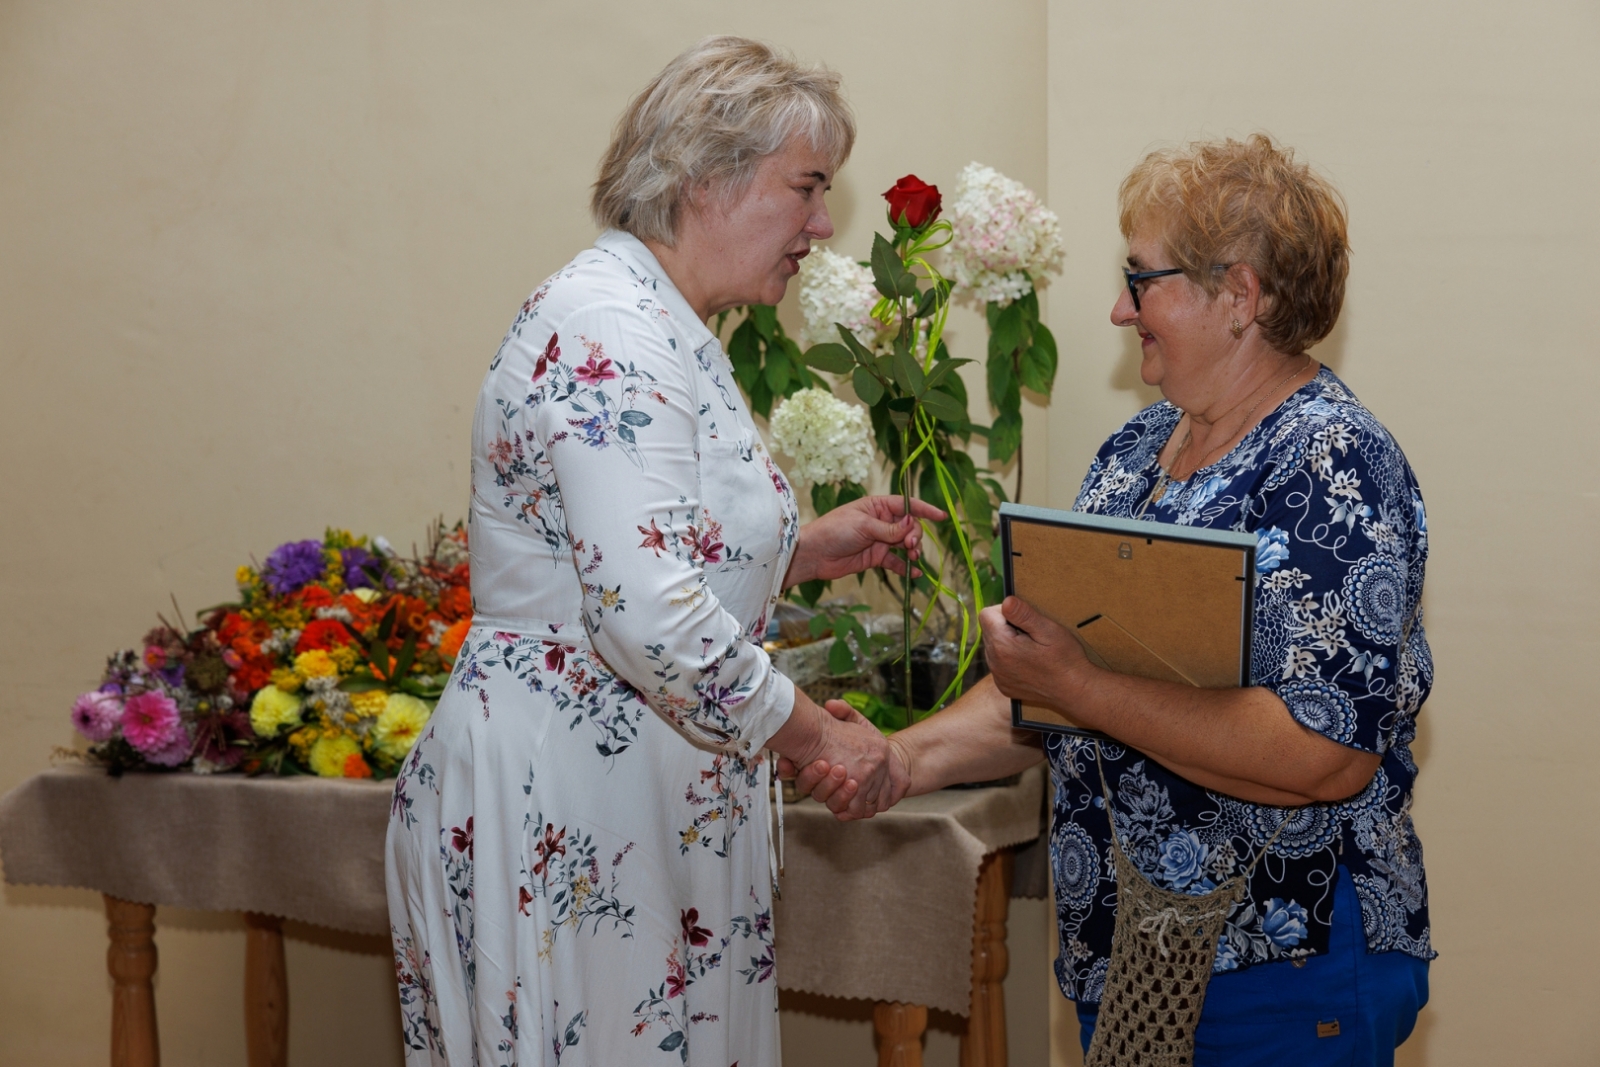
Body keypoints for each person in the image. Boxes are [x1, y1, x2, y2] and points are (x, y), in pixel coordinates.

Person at [793, 134, 1433, 1066]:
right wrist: (897, 757)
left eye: (1142, 280)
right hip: (1134, 967)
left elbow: (1325, 753)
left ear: (1241, 295)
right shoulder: (1134, 456)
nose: (1117, 308)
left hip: (1283, 969)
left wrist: (1085, 689)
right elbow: (1043, 678)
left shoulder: (1334, 464)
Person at [386, 37, 922, 1066]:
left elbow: (629, 553)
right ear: (703, 178)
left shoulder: (661, 322)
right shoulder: (610, 330)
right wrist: (815, 736)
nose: (820, 224)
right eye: (806, 188)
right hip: (568, 801)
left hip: (634, 787)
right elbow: (648, 616)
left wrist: (800, 551)